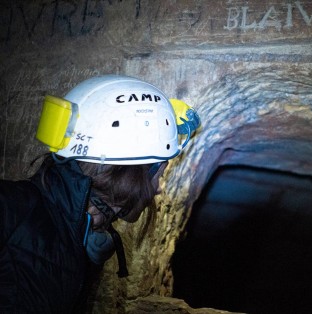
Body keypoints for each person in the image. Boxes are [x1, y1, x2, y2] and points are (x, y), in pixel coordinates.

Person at [0, 75, 201, 313]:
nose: (158, 188)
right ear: (130, 172)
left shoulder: (78, 231)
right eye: (160, 174)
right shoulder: (11, 208)